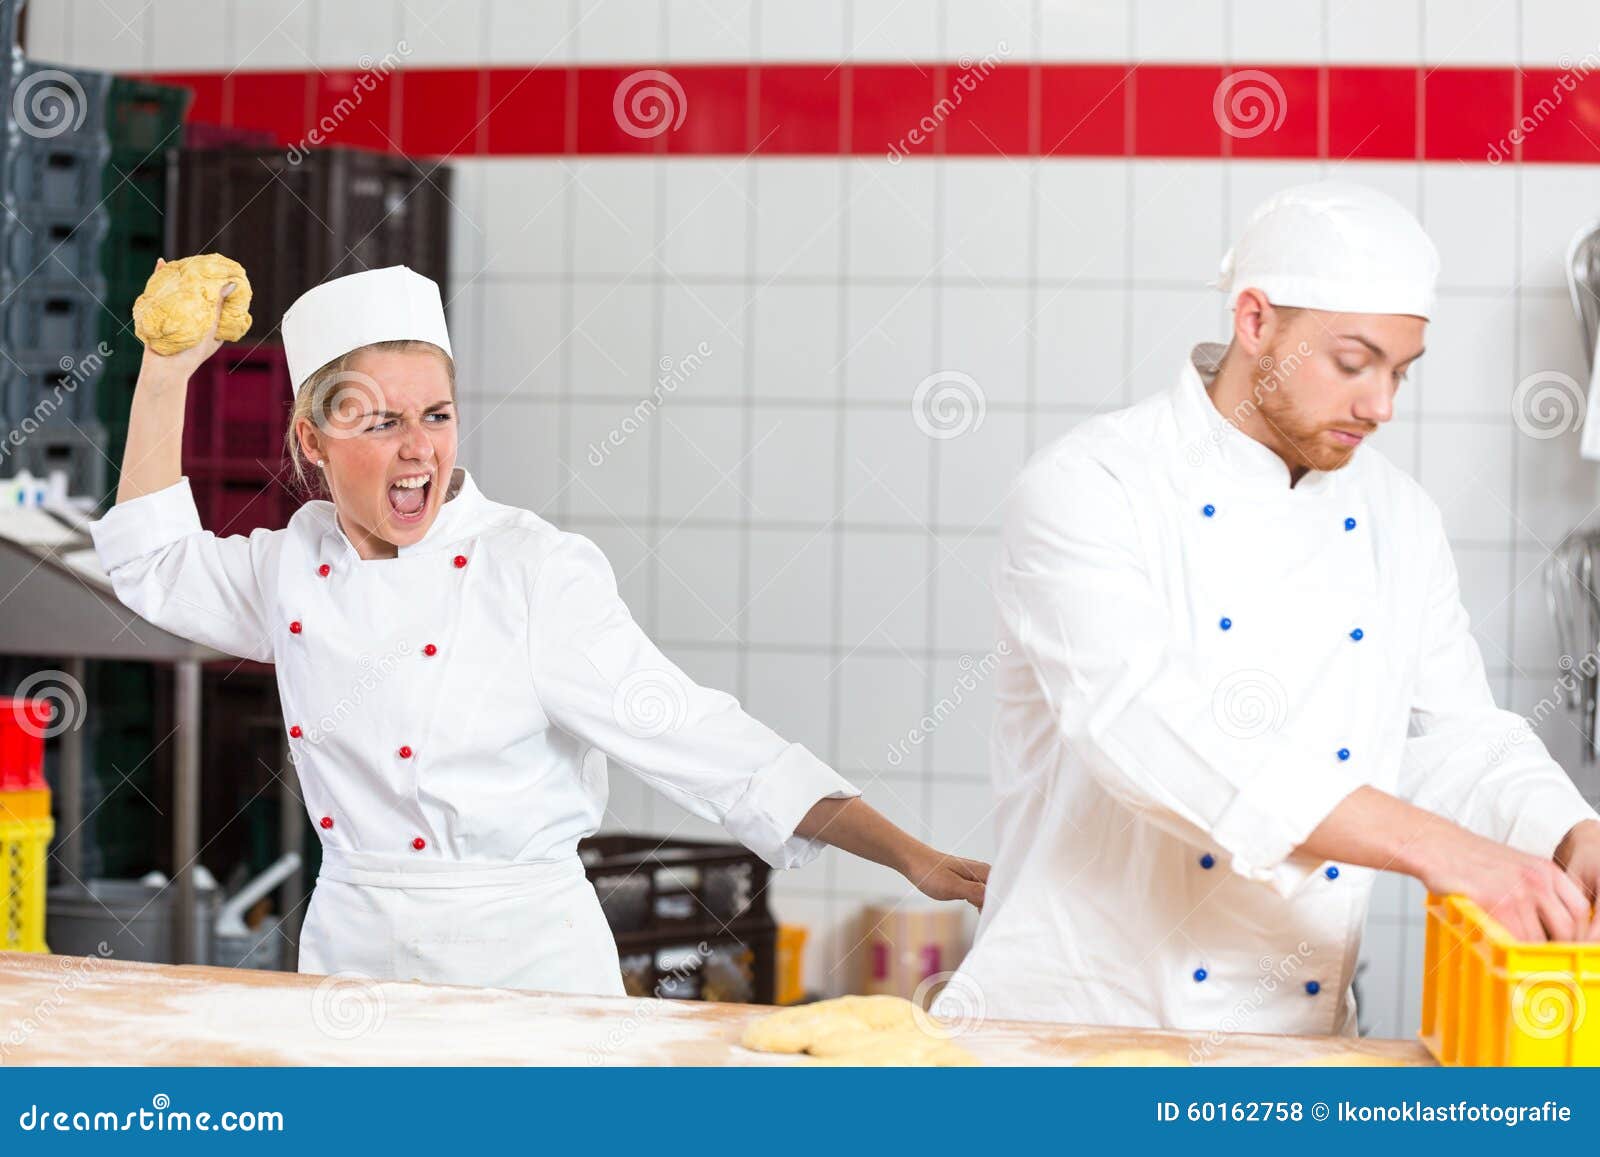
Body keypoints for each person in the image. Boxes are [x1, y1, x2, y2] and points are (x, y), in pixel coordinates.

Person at [91, 262, 987, 994]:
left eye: (436, 416)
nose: (419, 450)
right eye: (380, 421)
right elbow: (150, 566)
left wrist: (911, 855)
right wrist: (167, 370)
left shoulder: (532, 571)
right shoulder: (293, 564)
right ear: (313, 440)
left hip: (523, 966)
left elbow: (708, 741)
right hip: (353, 963)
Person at [940, 182, 1600, 1035]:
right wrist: (1441, 849)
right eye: (1354, 362)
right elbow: (1150, 731)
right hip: (1077, 1030)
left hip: (1290, 1047)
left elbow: (1456, 736)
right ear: (1255, 322)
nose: (1382, 405)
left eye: (1401, 371)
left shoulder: (1399, 517)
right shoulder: (1093, 485)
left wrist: (1569, 830)